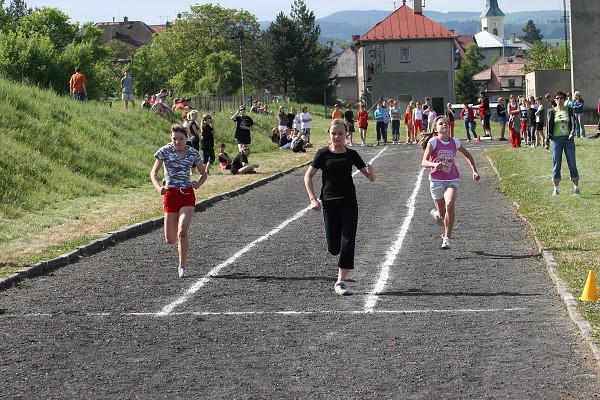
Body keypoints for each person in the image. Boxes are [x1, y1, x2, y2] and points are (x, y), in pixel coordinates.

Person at [304, 119, 376, 295]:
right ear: (329, 134)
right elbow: (308, 176)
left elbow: (371, 178)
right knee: (334, 247)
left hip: (349, 203)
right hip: (329, 203)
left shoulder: (351, 154)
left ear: (346, 134)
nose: (337, 136)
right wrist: (313, 199)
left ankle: (340, 282)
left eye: (340, 133)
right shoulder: (322, 154)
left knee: (348, 241)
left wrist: (371, 171)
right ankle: (337, 260)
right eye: (334, 133)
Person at [150, 124, 207, 278]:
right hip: (170, 194)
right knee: (170, 239)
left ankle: (182, 267)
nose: (177, 142)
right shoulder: (164, 151)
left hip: (187, 194)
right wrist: (158, 188)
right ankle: (180, 255)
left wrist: (198, 184)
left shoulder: (193, 153)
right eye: (174, 139)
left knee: (182, 232)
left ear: (186, 138)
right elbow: (153, 173)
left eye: (180, 139)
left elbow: (203, 174)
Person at [420, 116, 480, 249]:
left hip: (452, 178)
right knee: (441, 215)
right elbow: (424, 162)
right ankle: (436, 214)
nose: (444, 125)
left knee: (450, 205)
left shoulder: (455, 142)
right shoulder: (433, 142)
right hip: (436, 180)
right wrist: (435, 164)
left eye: (446, 123)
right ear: (436, 129)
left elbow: (468, 155)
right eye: (441, 124)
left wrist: (474, 171)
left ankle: (447, 238)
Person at [544, 91, 580, 196]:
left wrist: (572, 133)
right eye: (557, 98)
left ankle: (576, 188)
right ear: (554, 100)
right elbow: (548, 127)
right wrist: (547, 141)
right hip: (556, 140)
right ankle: (556, 189)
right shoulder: (551, 111)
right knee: (556, 164)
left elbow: (574, 124)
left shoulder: (569, 110)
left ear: (564, 100)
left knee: (572, 163)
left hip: (568, 140)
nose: (559, 100)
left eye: (561, 98)